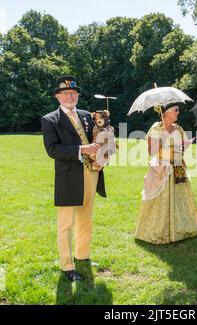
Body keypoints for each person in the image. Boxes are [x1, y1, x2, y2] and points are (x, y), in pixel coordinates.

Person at [41, 75, 106, 282]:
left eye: (73, 93)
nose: (70, 96)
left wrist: (103, 156)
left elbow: (99, 141)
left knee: (85, 220)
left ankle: (82, 256)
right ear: (58, 97)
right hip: (68, 178)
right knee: (66, 225)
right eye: (65, 93)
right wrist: (81, 149)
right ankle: (67, 266)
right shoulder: (50, 119)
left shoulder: (88, 116)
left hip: (91, 174)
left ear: (77, 95)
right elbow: (53, 149)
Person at [134, 103, 197, 244]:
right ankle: (158, 232)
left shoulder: (179, 129)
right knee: (158, 201)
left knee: (179, 200)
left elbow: (181, 148)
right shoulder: (156, 128)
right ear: (166, 112)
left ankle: (180, 231)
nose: (178, 112)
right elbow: (151, 152)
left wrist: (184, 146)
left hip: (177, 168)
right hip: (161, 168)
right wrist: (162, 136)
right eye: (176, 110)